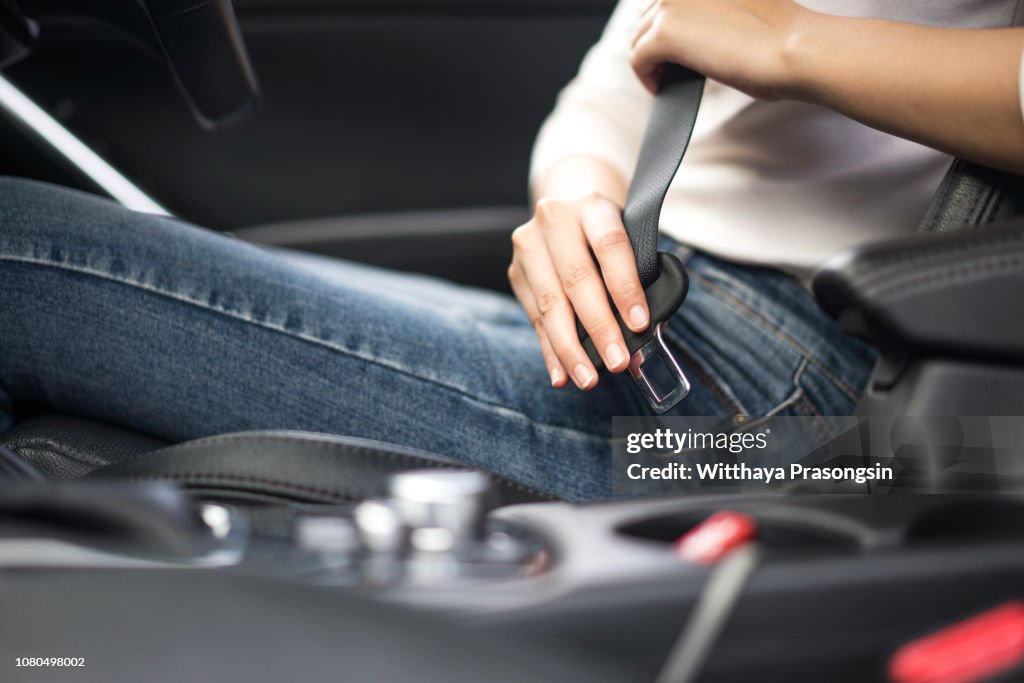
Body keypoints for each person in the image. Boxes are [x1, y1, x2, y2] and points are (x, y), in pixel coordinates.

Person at [1, 0, 1022, 500]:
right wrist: (574, 201)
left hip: (805, 398)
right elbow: (613, 88)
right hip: (667, 301)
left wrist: (791, 43)